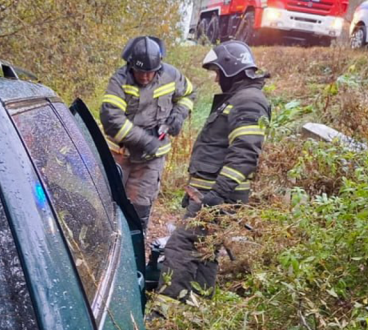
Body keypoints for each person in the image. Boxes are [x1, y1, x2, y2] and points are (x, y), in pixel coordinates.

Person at [160, 40, 270, 300]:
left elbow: (244, 155)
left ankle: (168, 309)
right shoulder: (240, 98)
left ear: (231, 69)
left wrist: (216, 195)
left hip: (220, 196)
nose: (217, 78)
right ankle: (198, 303)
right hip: (212, 192)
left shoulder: (248, 102)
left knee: (181, 246)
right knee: (205, 250)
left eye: (219, 72)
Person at [99, 35, 197, 232]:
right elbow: (111, 119)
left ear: (158, 68)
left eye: (149, 73)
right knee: (107, 202)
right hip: (120, 156)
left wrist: (178, 114)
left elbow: (189, 94)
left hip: (151, 160)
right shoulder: (119, 81)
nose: (144, 77)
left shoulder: (171, 75)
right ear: (131, 65)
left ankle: (135, 246)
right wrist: (144, 140)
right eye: (140, 72)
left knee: (139, 208)